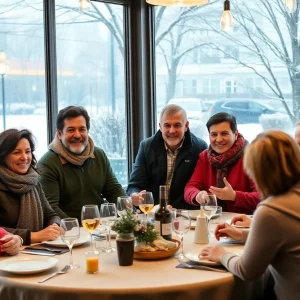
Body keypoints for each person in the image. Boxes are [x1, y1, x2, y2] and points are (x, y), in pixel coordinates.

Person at [201, 130, 300, 300]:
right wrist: (243, 234)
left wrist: (221, 254)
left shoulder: (271, 211)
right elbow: (288, 234)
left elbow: (247, 271)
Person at [38, 106, 126, 221]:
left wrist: (130, 215)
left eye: (82, 129)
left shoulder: (99, 155)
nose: (77, 135)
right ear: (59, 134)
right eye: (71, 130)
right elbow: (50, 208)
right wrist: (77, 228)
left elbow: (114, 189)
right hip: (68, 234)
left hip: (100, 228)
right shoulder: (47, 164)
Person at [127, 104, 207, 209]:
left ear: (186, 126)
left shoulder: (200, 147)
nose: (172, 130)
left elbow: (200, 186)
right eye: (167, 125)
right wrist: (135, 195)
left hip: (185, 213)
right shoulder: (146, 146)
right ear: (160, 126)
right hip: (153, 212)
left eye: (177, 125)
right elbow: (135, 185)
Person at [184, 112, 260, 214]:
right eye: (214, 134)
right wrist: (197, 195)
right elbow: (190, 187)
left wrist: (234, 196)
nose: (219, 139)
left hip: (244, 223)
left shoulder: (251, 155)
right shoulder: (204, 157)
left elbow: (262, 197)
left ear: (235, 134)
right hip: (212, 221)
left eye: (224, 133)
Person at [0, 129, 61, 245]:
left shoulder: (33, 180)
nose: (24, 157)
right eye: (17, 152)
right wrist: (33, 236)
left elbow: (51, 215)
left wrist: (55, 227)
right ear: (3, 156)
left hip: (35, 251)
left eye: (28, 152)